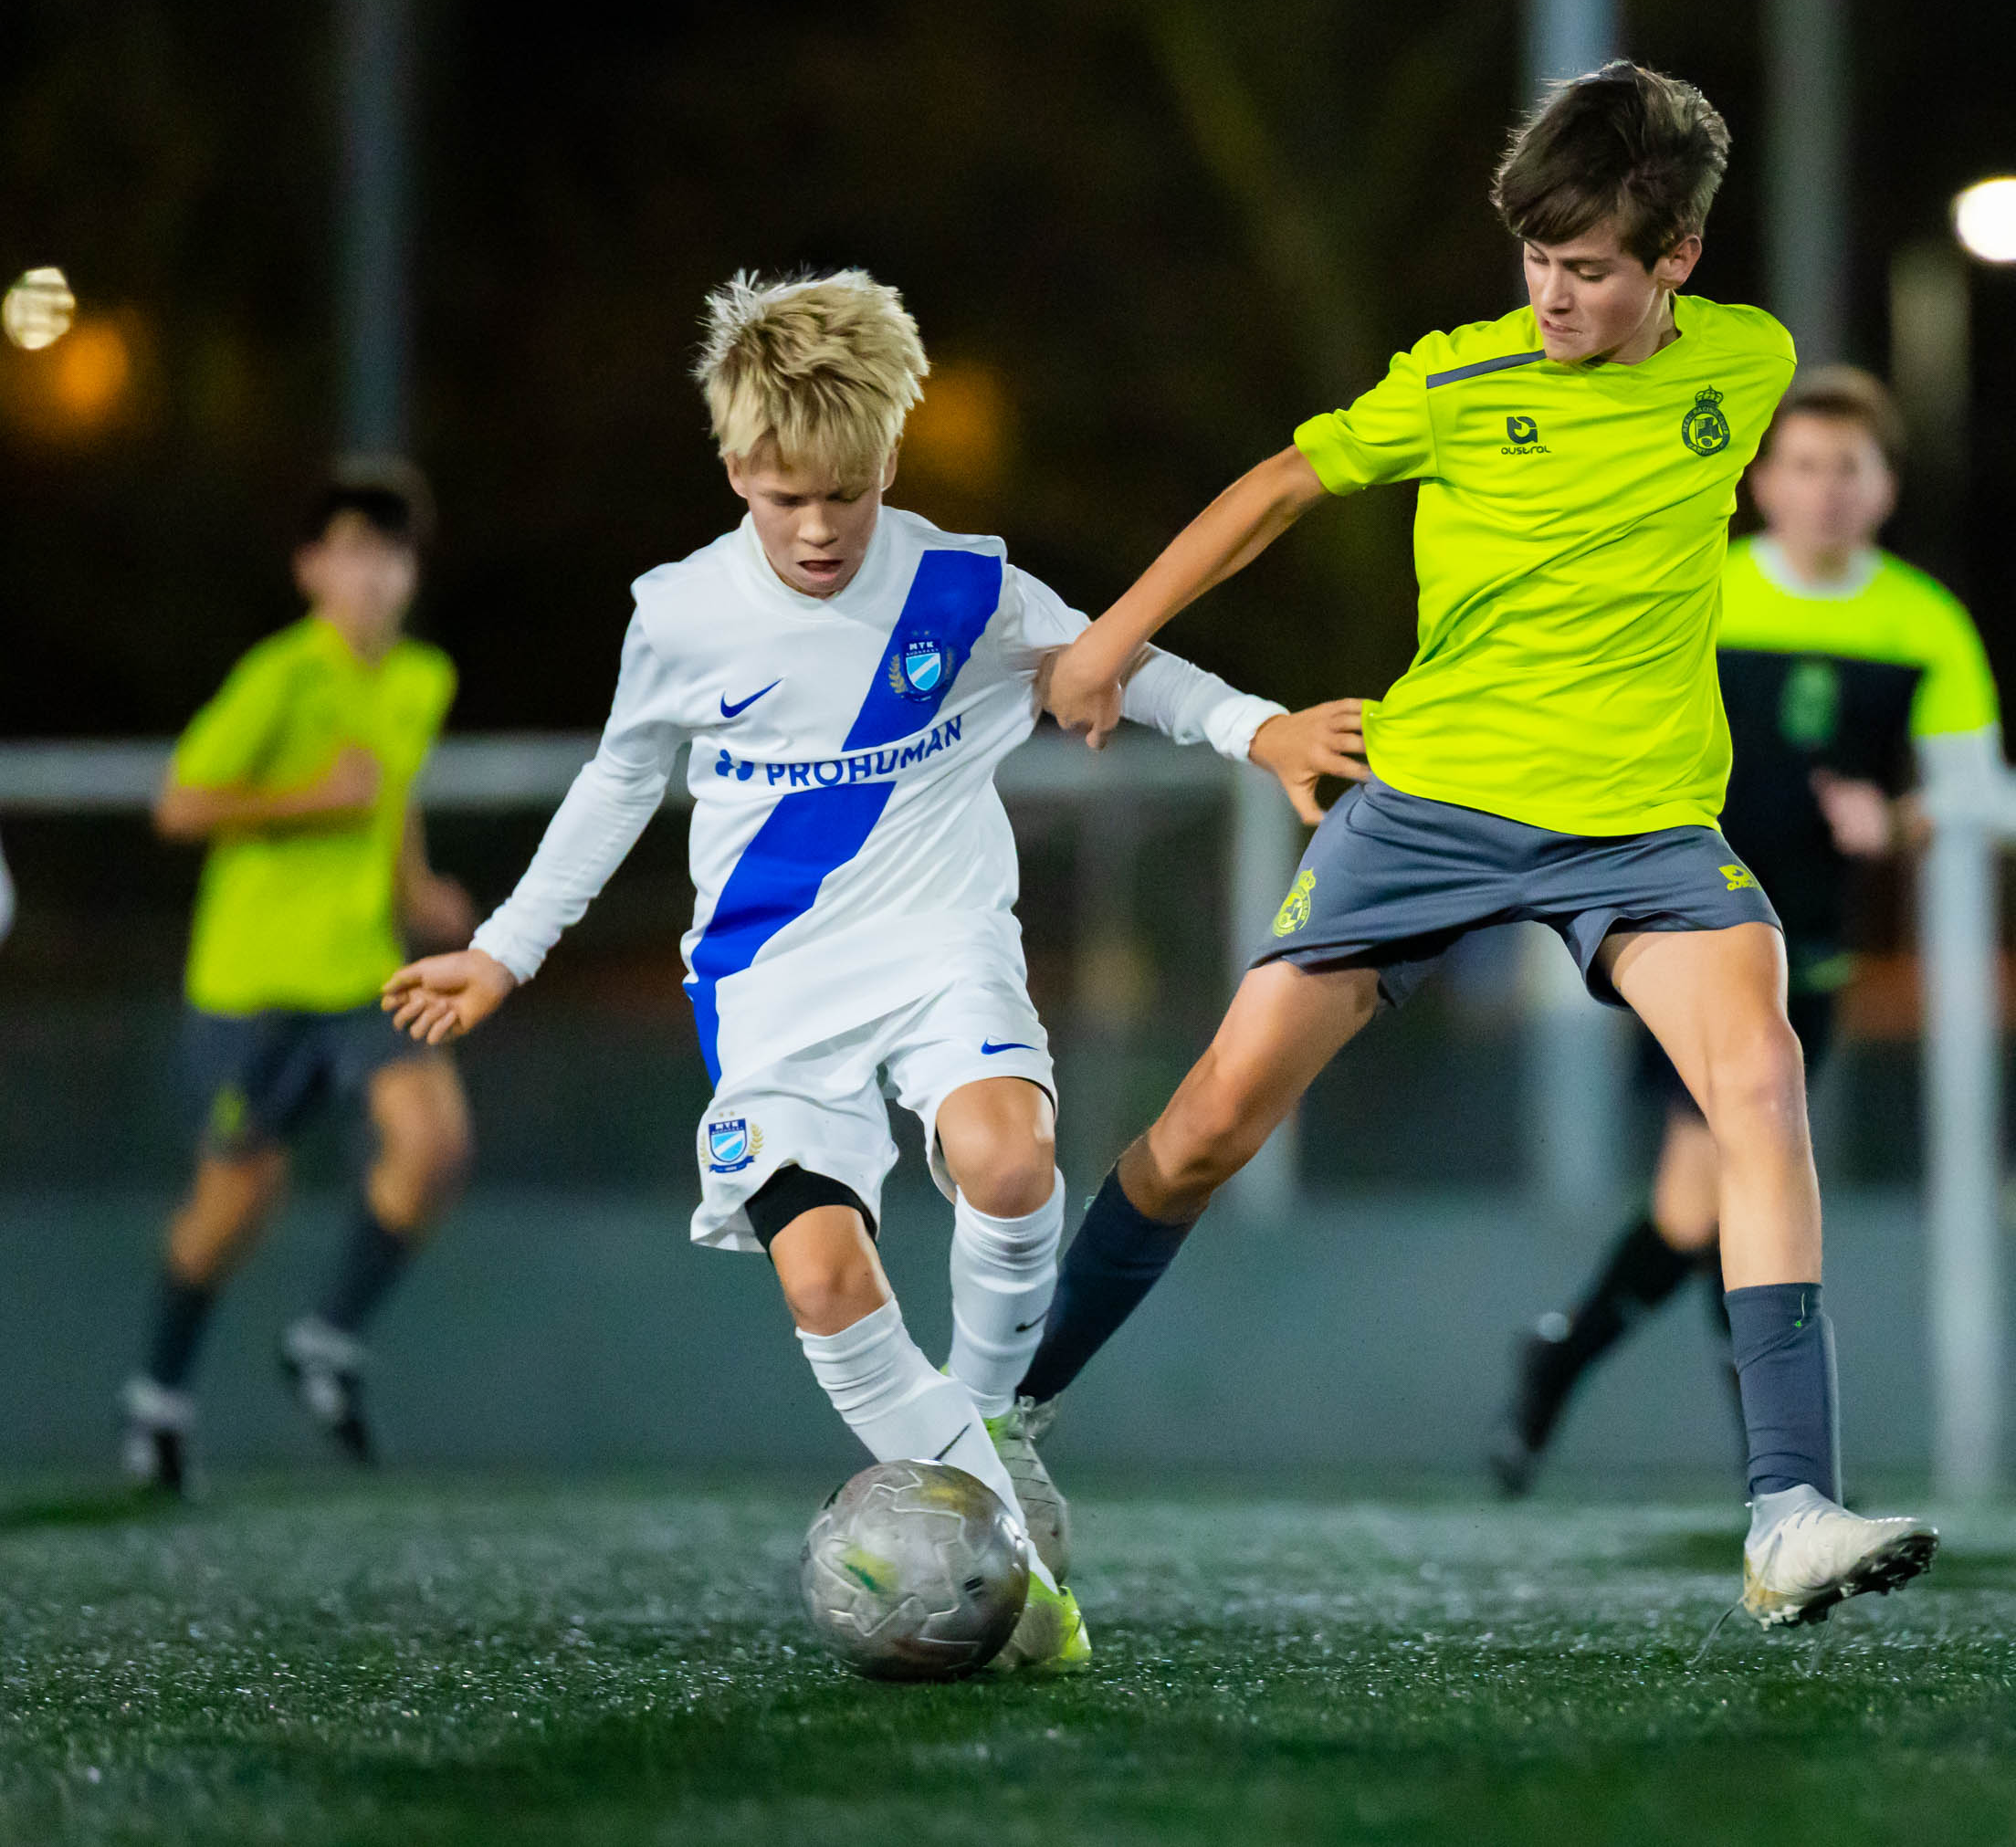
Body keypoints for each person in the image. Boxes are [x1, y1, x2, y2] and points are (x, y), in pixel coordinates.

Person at [1023, 64, 1941, 1631]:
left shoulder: (1751, 363)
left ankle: (1790, 1511)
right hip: (1431, 809)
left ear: (1679, 260)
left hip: (1645, 826)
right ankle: (1001, 1419)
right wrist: (1110, 637)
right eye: (1534, 259)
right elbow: (1283, 484)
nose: (1552, 295)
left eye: (1588, 268)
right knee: (1210, 1123)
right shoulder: (1457, 379)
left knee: (1759, 1079)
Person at [380, 269, 1359, 1673]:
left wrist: (1260, 730)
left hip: (943, 948)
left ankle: (990, 1423)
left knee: (1011, 1162)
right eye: (787, 496)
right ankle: (1003, 1531)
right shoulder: (680, 613)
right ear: (736, 470)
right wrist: (501, 949)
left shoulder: (961, 586)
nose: (819, 526)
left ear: (889, 463)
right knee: (827, 1281)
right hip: (768, 986)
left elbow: (1115, 666)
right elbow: (619, 781)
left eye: (846, 493)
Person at [1488, 365, 1999, 1495]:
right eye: (1803, 466)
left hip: (1809, 947)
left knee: (1701, 1204)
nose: (1824, 490)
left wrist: (1898, 818)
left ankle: (1561, 1361)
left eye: (1847, 469)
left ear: (1883, 488)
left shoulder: (1924, 621)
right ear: (1762, 482)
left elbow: (1971, 790)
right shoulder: (1699, 590)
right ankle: (1784, 1475)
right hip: (1682, 927)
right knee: (1738, 1175)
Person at [123, 463, 476, 1495]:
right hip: (254, 987)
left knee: (435, 1144)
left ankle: (326, 1338)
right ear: (311, 568)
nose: (374, 576)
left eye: (393, 556)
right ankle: (158, 1395)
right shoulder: (279, 676)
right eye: (353, 554)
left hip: (361, 974)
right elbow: (178, 805)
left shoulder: (420, 678)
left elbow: (390, 796)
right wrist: (308, 798)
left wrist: (415, 889)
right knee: (236, 1201)